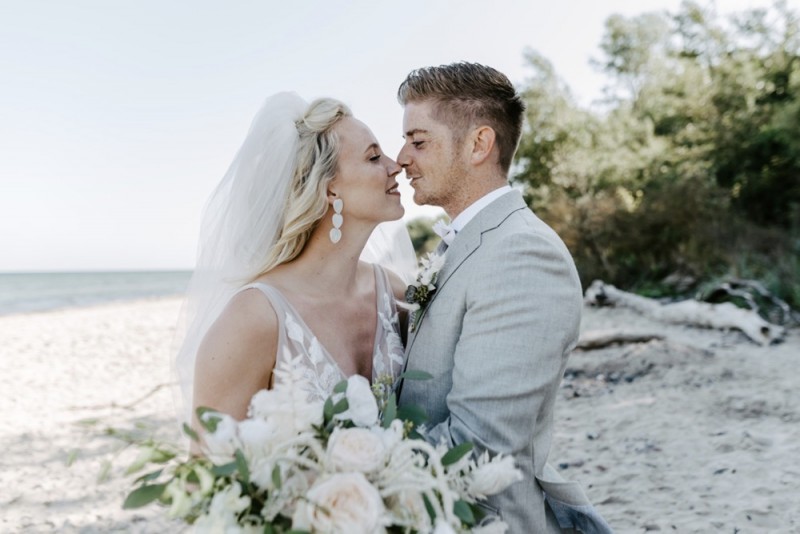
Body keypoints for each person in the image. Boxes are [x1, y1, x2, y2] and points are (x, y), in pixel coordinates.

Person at [395, 63, 612, 533]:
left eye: (418, 140)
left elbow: (479, 446)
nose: (401, 158)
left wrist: (343, 466)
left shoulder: (521, 253)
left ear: (478, 144)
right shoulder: (465, 242)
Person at [175, 92, 414, 428]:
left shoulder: (393, 293)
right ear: (330, 189)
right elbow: (204, 472)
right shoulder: (253, 319)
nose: (395, 166)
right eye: (374, 158)